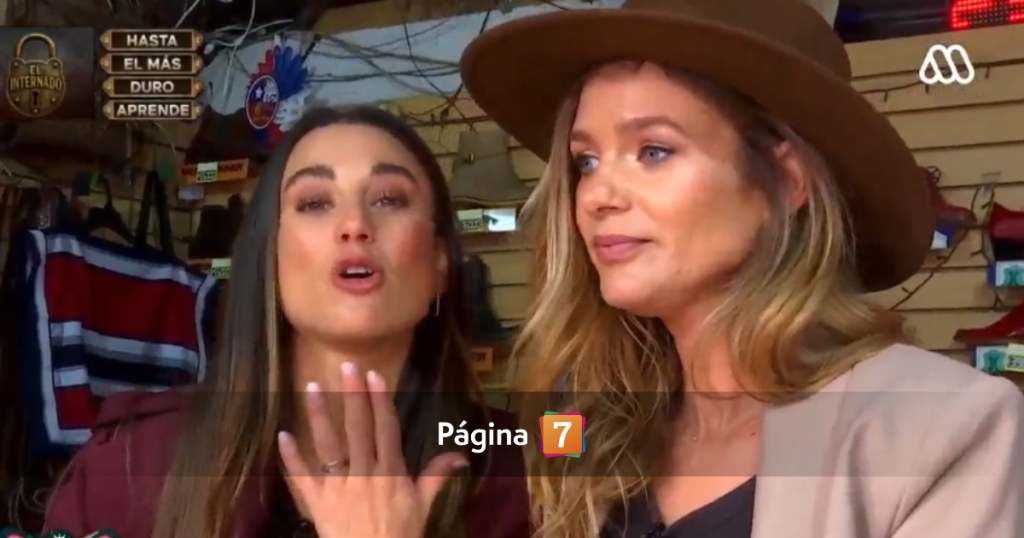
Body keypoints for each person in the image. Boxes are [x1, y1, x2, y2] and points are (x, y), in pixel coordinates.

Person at [458, 1, 1024, 538]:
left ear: (786, 179)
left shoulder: (943, 426)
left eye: (654, 151)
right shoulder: (587, 420)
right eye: (586, 161)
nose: (597, 195)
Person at [44, 106, 530, 538]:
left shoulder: (527, 472)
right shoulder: (129, 463)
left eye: (389, 199)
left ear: (441, 262)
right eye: (314, 203)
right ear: (269, 258)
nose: (354, 225)